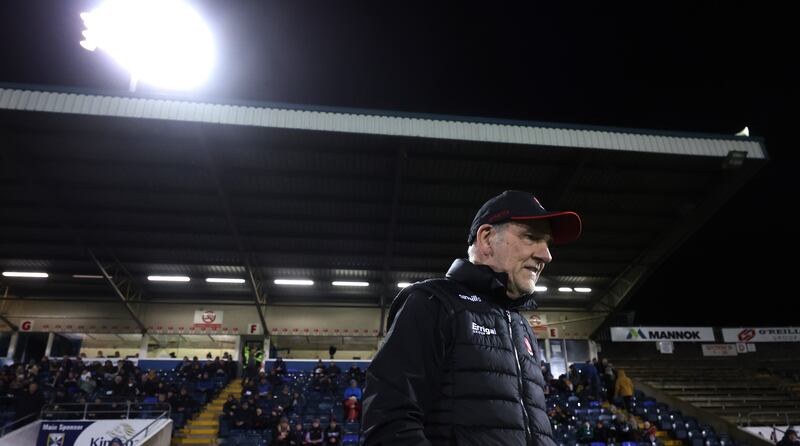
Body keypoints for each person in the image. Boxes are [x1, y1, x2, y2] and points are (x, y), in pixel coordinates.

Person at [362, 190, 581, 445]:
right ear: (487, 239)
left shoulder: (522, 326)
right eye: (531, 237)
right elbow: (389, 420)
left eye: (547, 243)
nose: (547, 255)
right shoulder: (433, 303)